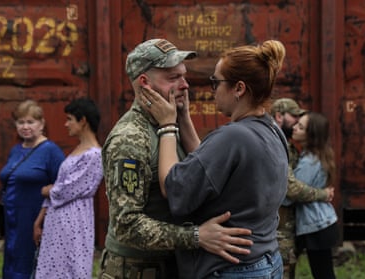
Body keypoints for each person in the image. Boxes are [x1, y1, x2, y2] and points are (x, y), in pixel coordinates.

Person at [99, 38, 253, 279]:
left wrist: (183, 119)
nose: (185, 85)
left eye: (184, 76)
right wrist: (196, 237)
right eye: (173, 78)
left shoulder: (170, 125)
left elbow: (199, 176)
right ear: (144, 83)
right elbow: (126, 225)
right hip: (136, 270)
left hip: (173, 266)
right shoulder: (129, 138)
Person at [142, 39, 288, 278]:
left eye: (216, 82)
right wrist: (184, 118)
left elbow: (175, 187)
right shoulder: (271, 129)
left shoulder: (233, 136)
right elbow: (209, 166)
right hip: (265, 261)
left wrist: (168, 125)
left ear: (239, 88)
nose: (213, 90)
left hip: (230, 269)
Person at [33, 97, 103, 278]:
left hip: (74, 222)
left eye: (70, 119)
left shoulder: (95, 155)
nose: (66, 124)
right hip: (58, 220)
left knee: (69, 267)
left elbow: (68, 188)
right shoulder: (79, 149)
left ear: (83, 121)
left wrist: (48, 190)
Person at [0, 99, 65, 279]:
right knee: (12, 264)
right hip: (13, 221)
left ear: (41, 124)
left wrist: (43, 220)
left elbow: (63, 187)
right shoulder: (15, 150)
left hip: (35, 221)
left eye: (30, 122)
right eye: (21, 122)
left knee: (29, 267)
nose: (25, 126)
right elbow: (9, 184)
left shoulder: (51, 151)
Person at [271, 98, 334, 279]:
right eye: (295, 118)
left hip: (288, 227)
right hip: (280, 229)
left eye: (301, 124)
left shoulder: (292, 148)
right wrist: (322, 194)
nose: (296, 124)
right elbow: (290, 191)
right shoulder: (277, 144)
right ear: (279, 116)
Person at [291, 111, 339, 279]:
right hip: (320, 222)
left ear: (311, 135)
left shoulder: (309, 162)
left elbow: (293, 193)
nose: (294, 128)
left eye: (300, 127)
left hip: (316, 225)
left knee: (323, 274)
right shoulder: (316, 155)